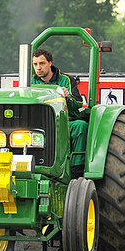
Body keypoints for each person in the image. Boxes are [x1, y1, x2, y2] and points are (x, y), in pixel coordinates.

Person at [32, 48, 87, 178]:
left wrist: (67, 98)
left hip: (65, 121)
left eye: (42, 63)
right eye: (35, 64)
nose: (38, 68)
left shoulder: (66, 80)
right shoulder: (30, 82)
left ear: (50, 63)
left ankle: (76, 169)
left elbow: (78, 105)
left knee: (80, 126)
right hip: (39, 123)